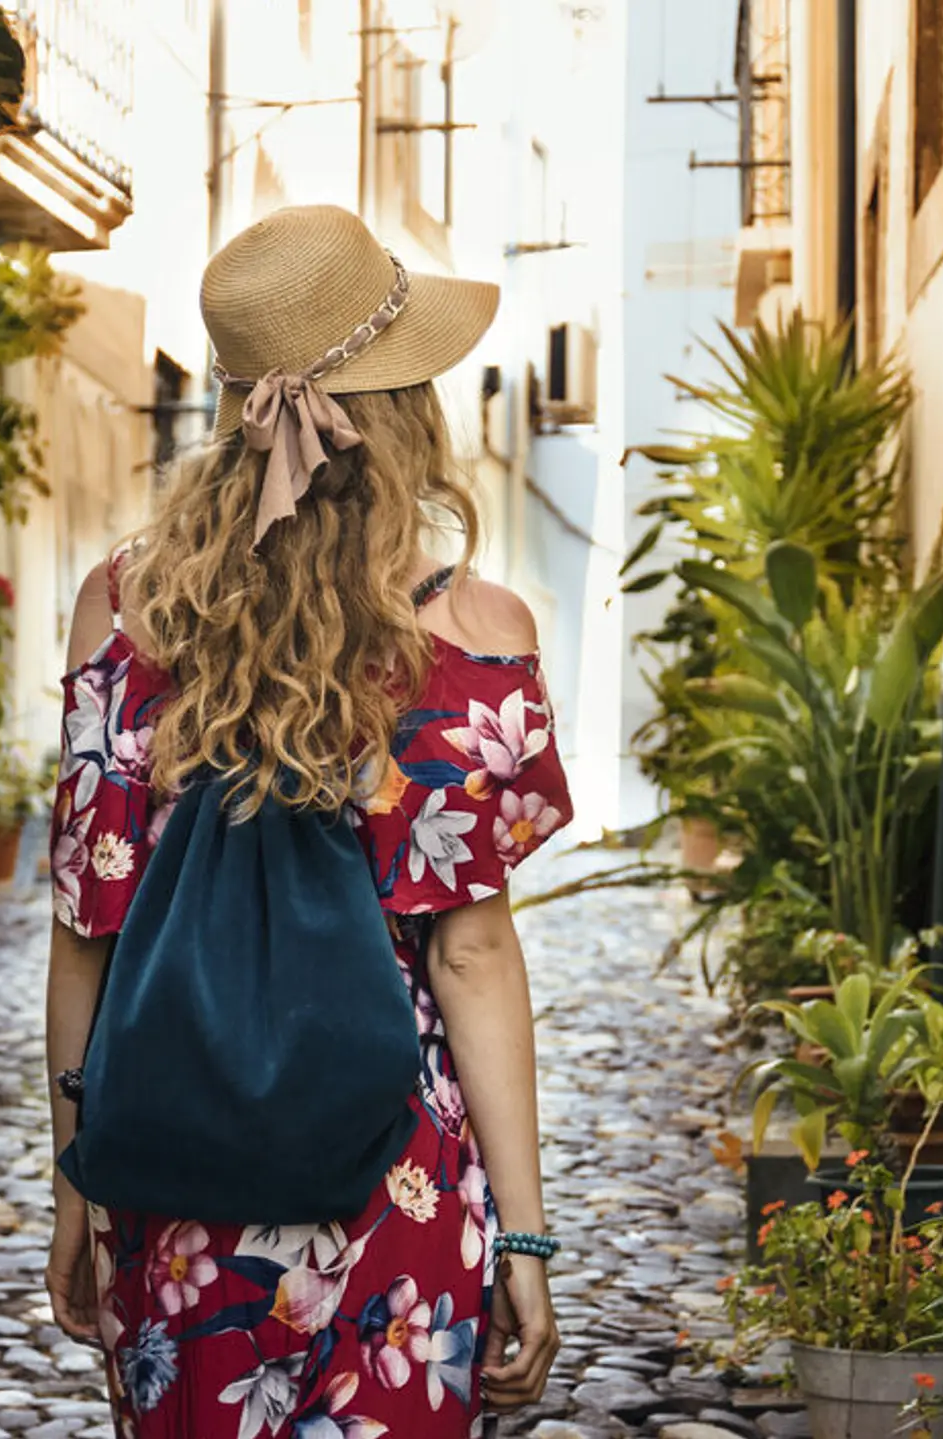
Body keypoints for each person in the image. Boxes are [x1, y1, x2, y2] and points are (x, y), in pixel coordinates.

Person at [41, 205, 571, 1437]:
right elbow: (472, 951)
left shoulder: (119, 609)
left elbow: (87, 930)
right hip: (395, 1182)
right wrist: (527, 1235)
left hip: (169, 1181)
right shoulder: (479, 636)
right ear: (403, 407)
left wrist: (74, 1182)